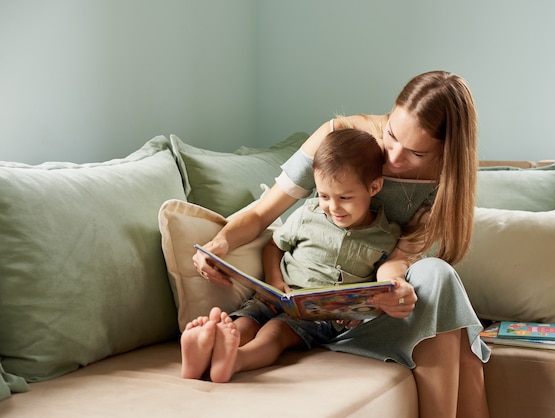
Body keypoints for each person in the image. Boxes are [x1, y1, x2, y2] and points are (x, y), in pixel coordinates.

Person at [193, 70, 491, 418]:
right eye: (391, 135)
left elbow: (396, 261)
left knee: (437, 276)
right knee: (463, 348)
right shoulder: (338, 140)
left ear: (444, 154)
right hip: (312, 315)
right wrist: (219, 242)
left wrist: (394, 288)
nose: (393, 156)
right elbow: (262, 214)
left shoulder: (443, 186)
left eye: (415, 153)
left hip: (364, 318)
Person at [181, 128, 401, 383]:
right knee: (244, 322)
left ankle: (236, 361)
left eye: (344, 197)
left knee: (277, 331)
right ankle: (209, 349)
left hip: (320, 316)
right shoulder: (308, 214)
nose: (333, 207)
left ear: (374, 187)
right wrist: (274, 279)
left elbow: (380, 286)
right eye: (324, 196)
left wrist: (357, 312)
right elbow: (273, 245)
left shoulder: (385, 236)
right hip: (275, 297)